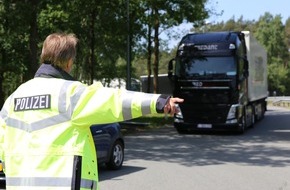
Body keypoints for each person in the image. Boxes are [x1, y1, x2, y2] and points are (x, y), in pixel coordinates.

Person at [0, 33, 183, 190]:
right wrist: (157, 102)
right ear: (69, 62)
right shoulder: (70, 94)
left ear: (43, 56)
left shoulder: (13, 98)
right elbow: (114, 101)